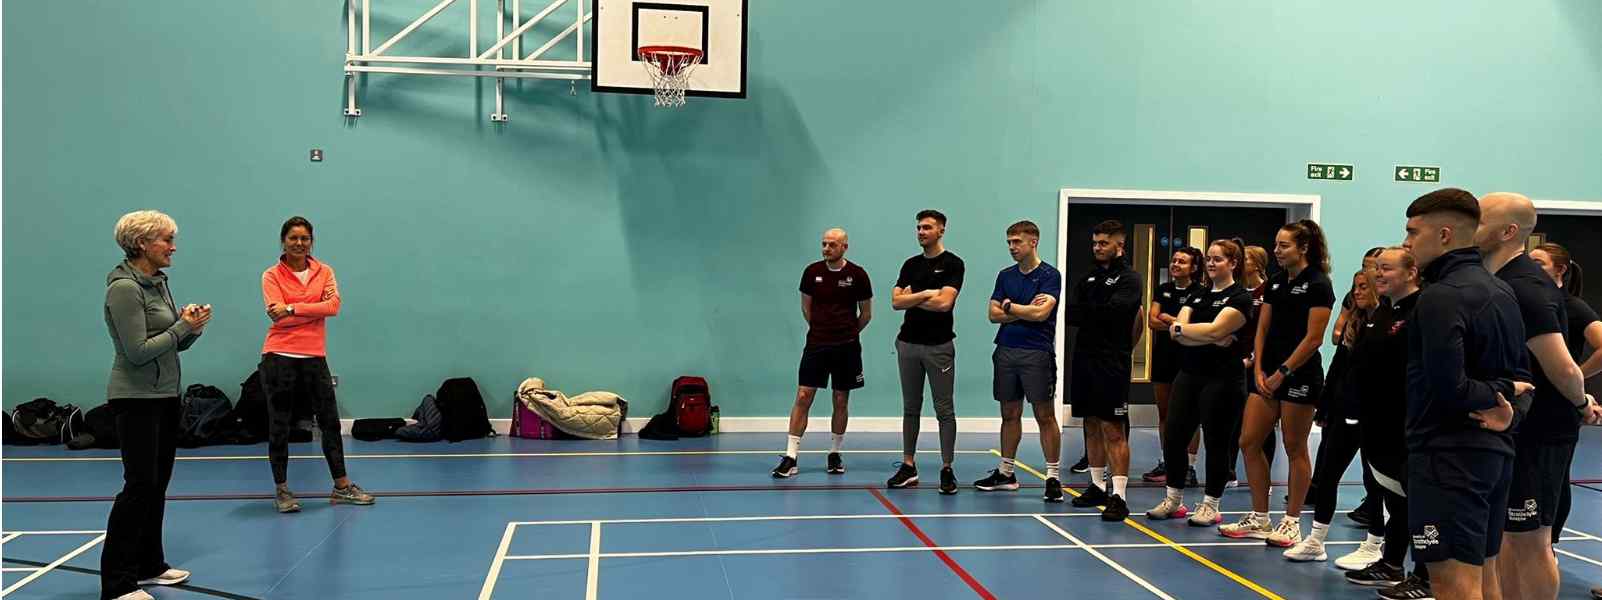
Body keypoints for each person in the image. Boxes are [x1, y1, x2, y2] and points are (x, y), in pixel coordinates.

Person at [1400, 187, 1533, 600]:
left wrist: (1504, 391)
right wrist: (1512, 410)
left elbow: (1449, 387)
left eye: (1412, 232)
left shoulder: (1440, 297)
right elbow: (1525, 381)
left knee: (1454, 586)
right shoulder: (1501, 290)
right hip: (1492, 456)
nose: (1406, 243)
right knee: (1484, 580)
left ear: (1443, 235)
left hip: (1447, 458)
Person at [1472, 193, 1601, 600]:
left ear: (1509, 231)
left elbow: (1561, 366)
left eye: (1479, 219)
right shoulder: (1498, 281)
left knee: (1531, 540)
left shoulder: (1528, 288)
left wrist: (1580, 402)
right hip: (1511, 428)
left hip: (1542, 431)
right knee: (1508, 537)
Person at [102, 210, 208, 600]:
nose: (173, 246)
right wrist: (180, 327)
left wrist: (190, 329)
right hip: (135, 399)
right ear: (142, 243)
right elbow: (136, 352)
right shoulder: (124, 288)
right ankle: (116, 583)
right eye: (166, 239)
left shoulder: (158, 283)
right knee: (139, 486)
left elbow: (171, 340)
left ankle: (149, 565)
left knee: (157, 485)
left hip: (165, 395)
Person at [1223, 221, 1335, 547]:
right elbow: (1262, 329)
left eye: (1284, 245)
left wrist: (1282, 372)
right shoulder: (1273, 284)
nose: (1277, 250)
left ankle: (1291, 521)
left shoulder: (1318, 284)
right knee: (1248, 441)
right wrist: (1259, 369)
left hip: (1299, 375)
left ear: (1303, 248)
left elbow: (1314, 338)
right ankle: (1260, 518)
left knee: (1294, 446)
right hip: (1266, 374)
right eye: (1276, 244)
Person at [260, 216, 374, 512]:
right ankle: (282, 491)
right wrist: (310, 309)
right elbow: (275, 314)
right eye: (293, 238)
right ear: (283, 241)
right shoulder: (271, 276)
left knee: (330, 423)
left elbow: (332, 307)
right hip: (278, 355)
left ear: (311, 241)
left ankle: (342, 487)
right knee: (280, 425)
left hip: (314, 356)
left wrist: (293, 307)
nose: (299, 243)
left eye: (305, 238)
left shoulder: (325, 272)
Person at [1340, 248, 1432, 597]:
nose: (1379, 275)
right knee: (1394, 501)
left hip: (1405, 427)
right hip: (1375, 424)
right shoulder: (1382, 312)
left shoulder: (1421, 311)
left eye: (1387, 269)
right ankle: (1392, 563)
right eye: (1377, 269)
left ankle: (1425, 576)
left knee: (1418, 503)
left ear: (1411, 273)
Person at [1145, 239, 1254, 527]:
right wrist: (1204, 334)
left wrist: (1198, 332)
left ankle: (1210, 505)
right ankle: (1173, 499)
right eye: (1208, 258)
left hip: (1223, 380)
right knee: (1174, 436)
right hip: (1189, 375)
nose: (1210, 263)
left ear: (1233, 263)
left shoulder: (1240, 297)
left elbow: (1216, 329)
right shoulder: (1197, 296)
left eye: (1217, 259)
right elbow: (1177, 332)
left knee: (1216, 442)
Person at [1284, 269, 1382, 562]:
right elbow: (1339, 369)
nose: (1357, 292)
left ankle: (1374, 544)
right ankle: (1316, 539)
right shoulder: (1355, 323)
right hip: (1344, 410)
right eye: (1355, 287)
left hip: (1375, 415)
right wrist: (1325, 405)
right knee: (1327, 474)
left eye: (1363, 287)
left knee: (1374, 480)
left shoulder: (1389, 325)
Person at [1041, 220, 1137, 517]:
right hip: (1085, 358)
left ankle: (1118, 495)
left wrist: (1094, 310)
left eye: (1103, 243)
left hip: (1112, 361)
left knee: (1113, 428)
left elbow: (1118, 313)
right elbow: (1072, 314)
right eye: (1095, 243)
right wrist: (1097, 310)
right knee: (1091, 423)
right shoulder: (1089, 278)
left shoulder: (1130, 279)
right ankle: (1096, 485)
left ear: (1119, 246)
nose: (1097, 248)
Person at [974, 221, 1066, 503]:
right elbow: (992, 314)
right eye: (1009, 242)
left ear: (1033, 242)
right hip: (1005, 350)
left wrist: (1010, 307)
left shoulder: (1051, 275)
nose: (1012, 247)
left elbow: (1041, 315)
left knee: (1044, 416)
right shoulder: (1005, 275)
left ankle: (1052, 477)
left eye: (1017, 242)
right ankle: (1006, 473)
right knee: (1009, 414)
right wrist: (1023, 310)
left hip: (1036, 353)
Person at [774, 228, 872, 478]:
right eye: (824, 244)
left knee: (841, 400)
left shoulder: (858, 275)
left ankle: (835, 453)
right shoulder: (812, 273)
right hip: (816, 345)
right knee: (804, 396)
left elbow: (866, 315)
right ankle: (791, 456)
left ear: (844, 247)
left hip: (847, 347)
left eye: (832, 245)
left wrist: (847, 333)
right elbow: (806, 309)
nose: (826, 248)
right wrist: (822, 330)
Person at [1530, 242, 1602, 553]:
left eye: (1539, 264)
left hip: (1556, 409)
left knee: (1554, 479)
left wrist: (1575, 377)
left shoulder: (1572, 307)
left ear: (1560, 270)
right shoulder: (1531, 302)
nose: (1531, 271)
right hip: (1528, 406)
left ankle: (1549, 543)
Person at [888, 210, 964, 493]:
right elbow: (895, 303)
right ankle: (908, 466)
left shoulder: (954, 264)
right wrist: (924, 295)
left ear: (941, 231)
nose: (921, 232)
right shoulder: (910, 264)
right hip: (907, 344)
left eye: (927, 228)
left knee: (944, 409)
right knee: (911, 407)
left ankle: (947, 468)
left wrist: (910, 298)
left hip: (939, 347)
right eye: (918, 227)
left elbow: (945, 304)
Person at [1143, 247, 1205, 486]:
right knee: (1165, 414)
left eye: (1182, 261)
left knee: (1191, 416)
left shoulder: (1200, 292)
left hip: (1191, 358)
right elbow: (1151, 320)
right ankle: (1167, 461)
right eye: (1174, 260)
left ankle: (1189, 466)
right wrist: (1177, 322)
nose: (1176, 264)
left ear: (1194, 267)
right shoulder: (1163, 290)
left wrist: (1170, 320)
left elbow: (1195, 325)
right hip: (1164, 359)